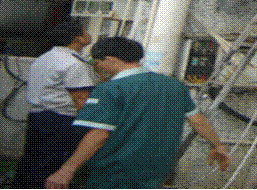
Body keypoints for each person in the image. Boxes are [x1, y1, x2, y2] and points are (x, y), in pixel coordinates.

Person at [45, 37, 230, 189]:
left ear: (110, 60)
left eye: (97, 61)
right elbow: (197, 120)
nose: (97, 66)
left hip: (115, 173)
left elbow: (99, 134)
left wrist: (66, 170)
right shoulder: (175, 85)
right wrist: (218, 145)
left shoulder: (111, 89)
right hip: (157, 171)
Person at [12, 19, 95, 189]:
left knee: (31, 161)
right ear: (78, 38)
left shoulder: (45, 58)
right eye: (85, 32)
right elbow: (81, 99)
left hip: (38, 116)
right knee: (51, 165)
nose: (89, 35)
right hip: (60, 119)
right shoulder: (73, 63)